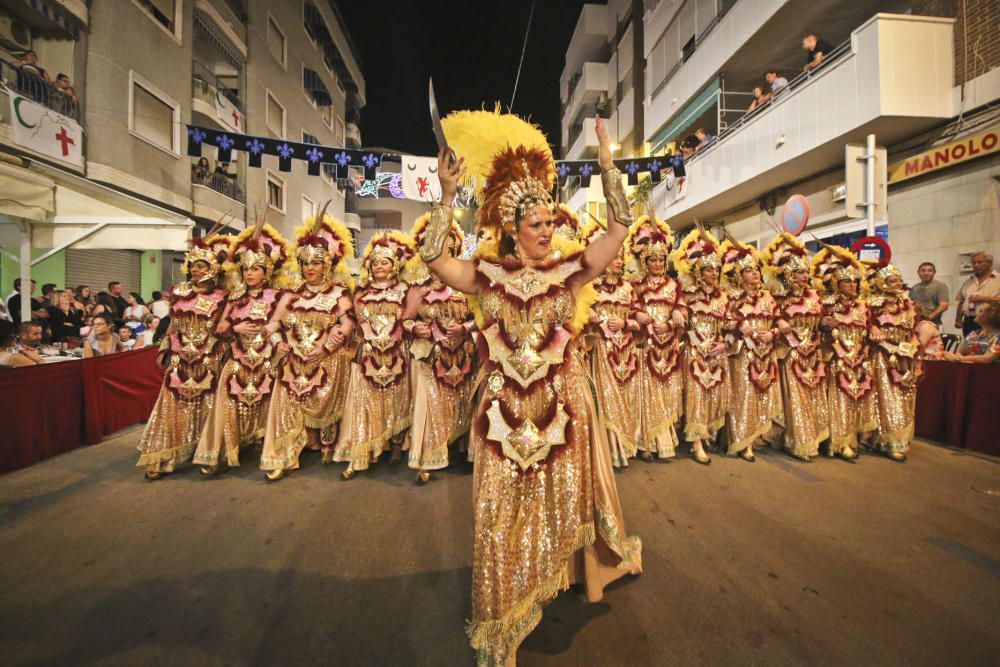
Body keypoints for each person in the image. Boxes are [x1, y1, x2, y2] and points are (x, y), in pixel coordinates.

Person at [419, 109, 642, 665]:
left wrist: (609, 166)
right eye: (538, 224)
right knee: (499, 514)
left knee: (555, 508)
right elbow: (433, 259)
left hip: (562, 410)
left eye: (551, 223)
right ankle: (502, 620)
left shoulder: (570, 271)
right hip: (500, 414)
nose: (549, 232)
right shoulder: (485, 276)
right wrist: (447, 196)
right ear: (512, 229)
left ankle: (550, 584)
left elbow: (618, 230)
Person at [261, 208, 356, 481]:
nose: (310, 268)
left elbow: (347, 324)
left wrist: (325, 349)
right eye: (305, 263)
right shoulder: (290, 294)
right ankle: (285, 455)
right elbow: (272, 325)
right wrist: (278, 343)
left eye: (315, 263)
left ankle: (328, 443)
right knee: (288, 405)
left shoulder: (339, 293)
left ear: (327, 265)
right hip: (293, 363)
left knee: (328, 396)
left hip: (327, 360)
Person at [195, 222, 290, 476]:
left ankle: (276, 456)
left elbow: (284, 324)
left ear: (266, 272)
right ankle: (215, 453)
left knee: (275, 405)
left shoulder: (278, 296)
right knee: (225, 403)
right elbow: (220, 326)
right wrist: (236, 329)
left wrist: (275, 337)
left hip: (268, 357)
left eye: (255, 269)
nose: (249, 273)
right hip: (238, 357)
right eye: (246, 268)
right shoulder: (235, 297)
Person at [136, 233, 231, 480]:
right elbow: (173, 325)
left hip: (209, 356)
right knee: (171, 405)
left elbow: (226, 329)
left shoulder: (224, 296)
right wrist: (164, 349)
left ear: (214, 268)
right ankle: (162, 455)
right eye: (193, 266)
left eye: (202, 266)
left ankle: (210, 453)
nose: (196, 270)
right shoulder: (179, 292)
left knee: (209, 407)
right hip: (180, 358)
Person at [332, 231, 415, 480]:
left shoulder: (405, 290)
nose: (379, 266)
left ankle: (396, 447)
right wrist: (370, 337)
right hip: (368, 353)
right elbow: (358, 319)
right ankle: (360, 453)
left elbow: (408, 318)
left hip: (398, 352)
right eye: (376, 262)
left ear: (394, 266)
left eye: (385, 262)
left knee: (396, 401)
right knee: (363, 405)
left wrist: (392, 337)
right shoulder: (361, 292)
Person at [402, 212, 477, 483]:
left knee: (463, 404)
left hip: (464, 355)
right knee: (430, 405)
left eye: (447, 249)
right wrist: (416, 328)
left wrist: (465, 329)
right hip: (430, 357)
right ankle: (427, 457)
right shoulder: (417, 289)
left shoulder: (467, 285)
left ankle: (462, 449)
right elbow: (406, 319)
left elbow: (480, 318)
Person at [765, 233, 829, 462]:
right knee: (795, 399)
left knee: (813, 397)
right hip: (790, 355)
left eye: (805, 272)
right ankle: (797, 442)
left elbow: (819, 320)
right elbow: (765, 318)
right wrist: (778, 321)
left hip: (813, 354)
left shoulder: (814, 296)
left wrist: (825, 323)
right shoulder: (777, 298)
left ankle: (813, 438)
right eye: (799, 272)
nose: (804, 276)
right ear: (789, 275)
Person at [720, 239, 783, 462]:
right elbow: (724, 321)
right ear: (739, 276)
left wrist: (773, 333)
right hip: (744, 355)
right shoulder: (733, 298)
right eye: (748, 270)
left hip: (766, 353)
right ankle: (742, 441)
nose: (754, 274)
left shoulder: (768, 298)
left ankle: (758, 438)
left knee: (762, 395)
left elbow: (779, 321)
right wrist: (739, 325)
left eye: (756, 269)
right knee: (743, 397)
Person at [629, 215, 685, 463]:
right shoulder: (636, 285)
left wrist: (674, 316)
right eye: (653, 258)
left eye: (662, 259)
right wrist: (644, 318)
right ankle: (646, 443)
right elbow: (630, 309)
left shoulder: (673, 285)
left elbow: (683, 309)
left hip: (669, 345)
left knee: (666, 393)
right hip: (646, 345)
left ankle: (663, 440)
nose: (658, 263)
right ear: (644, 260)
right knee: (647, 394)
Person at [813, 245, 876, 461]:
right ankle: (834, 442)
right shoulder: (826, 303)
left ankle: (849, 439)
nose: (852, 285)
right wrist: (823, 323)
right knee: (836, 399)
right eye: (847, 281)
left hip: (858, 357)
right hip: (835, 356)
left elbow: (870, 327)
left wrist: (873, 330)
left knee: (854, 399)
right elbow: (814, 325)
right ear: (836, 284)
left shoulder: (863, 306)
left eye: (855, 281)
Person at [673, 228, 728, 464]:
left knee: (713, 395)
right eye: (708, 269)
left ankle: (705, 433)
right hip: (694, 351)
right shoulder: (686, 294)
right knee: (695, 395)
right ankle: (695, 443)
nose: (713, 273)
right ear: (697, 271)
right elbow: (679, 313)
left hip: (717, 353)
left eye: (716, 269)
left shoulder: (723, 297)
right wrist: (677, 311)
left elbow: (732, 325)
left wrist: (725, 344)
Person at [866, 263, 918, 461]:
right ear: (881, 283)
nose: (898, 283)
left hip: (905, 356)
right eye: (892, 280)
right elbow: (865, 325)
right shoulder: (873, 303)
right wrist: (873, 330)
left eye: (898, 279)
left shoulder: (907, 303)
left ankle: (899, 439)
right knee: (887, 398)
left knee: (905, 397)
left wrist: (913, 348)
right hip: (883, 355)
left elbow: (913, 329)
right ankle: (887, 441)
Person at [954, 252, 1000, 336]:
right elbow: (961, 301)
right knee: (970, 346)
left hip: (991, 321)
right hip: (970, 321)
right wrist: (958, 319)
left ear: (989, 263)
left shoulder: (998, 279)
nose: (976, 265)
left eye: (979, 262)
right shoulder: (969, 281)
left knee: (988, 346)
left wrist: (985, 298)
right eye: (973, 262)